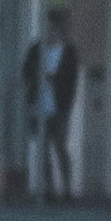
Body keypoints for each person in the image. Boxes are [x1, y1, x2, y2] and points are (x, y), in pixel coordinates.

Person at [35, 11, 82, 202]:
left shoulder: (69, 52)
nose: (48, 32)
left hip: (60, 107)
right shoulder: (37, 50)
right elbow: (27, 70)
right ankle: (49, 188)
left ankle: (67, 187)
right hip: (42, 105)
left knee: (60, 145)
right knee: (43, 147)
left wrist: (56, 80)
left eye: (50, 28)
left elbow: (71, 79)